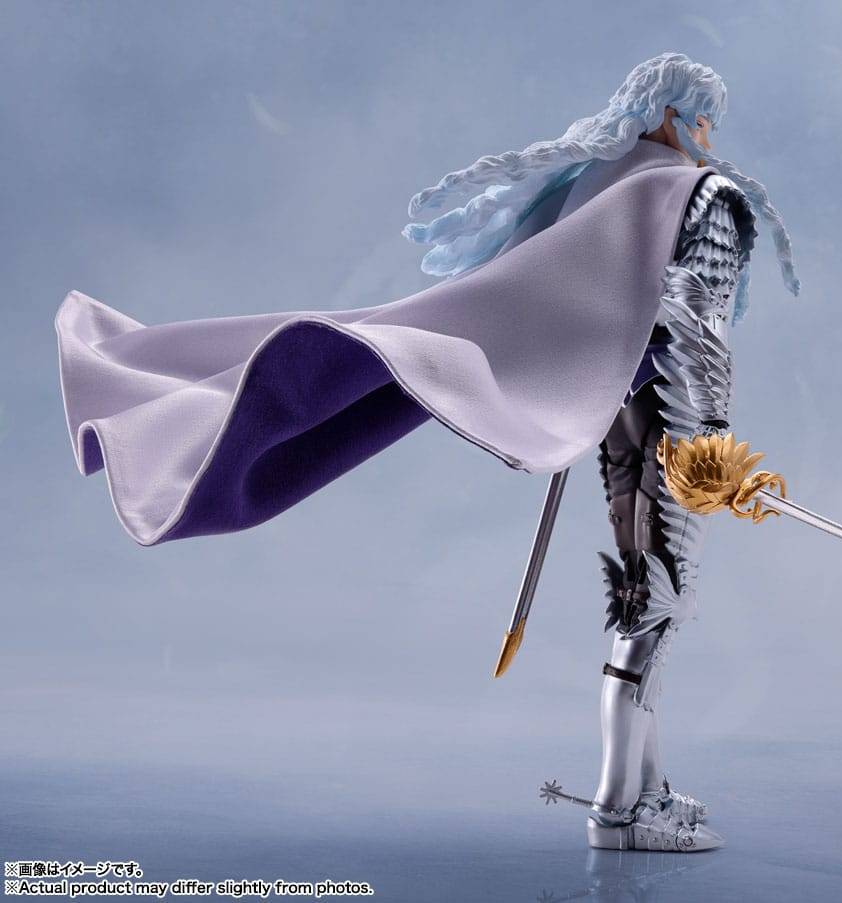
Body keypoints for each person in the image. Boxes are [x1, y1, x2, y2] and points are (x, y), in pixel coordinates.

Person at [54, 52, 799, 852]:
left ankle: (643, 788)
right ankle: (622, 806)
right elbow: (696, 336)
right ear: (673, 115)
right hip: (667, 422)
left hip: (618, 414)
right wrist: (713, 452)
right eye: (703, 114)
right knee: (658, 602)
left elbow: (578, 301)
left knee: (644, 593)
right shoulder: (703, 196)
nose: (708, 132)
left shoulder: (603, 180)